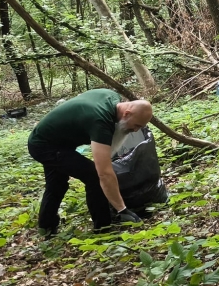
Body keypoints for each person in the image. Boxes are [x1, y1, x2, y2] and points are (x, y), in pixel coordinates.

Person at [27, 89, 153, 235]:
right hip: (44, 145)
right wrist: (122, 209)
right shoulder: (100, 121)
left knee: (56, 185)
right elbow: (104, 173)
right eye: (136, 125)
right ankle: (103, 229)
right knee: (94, 176)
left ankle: (46, 227)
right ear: (127, 113)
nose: (136, 130)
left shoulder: (111, 96)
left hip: (53, 140)